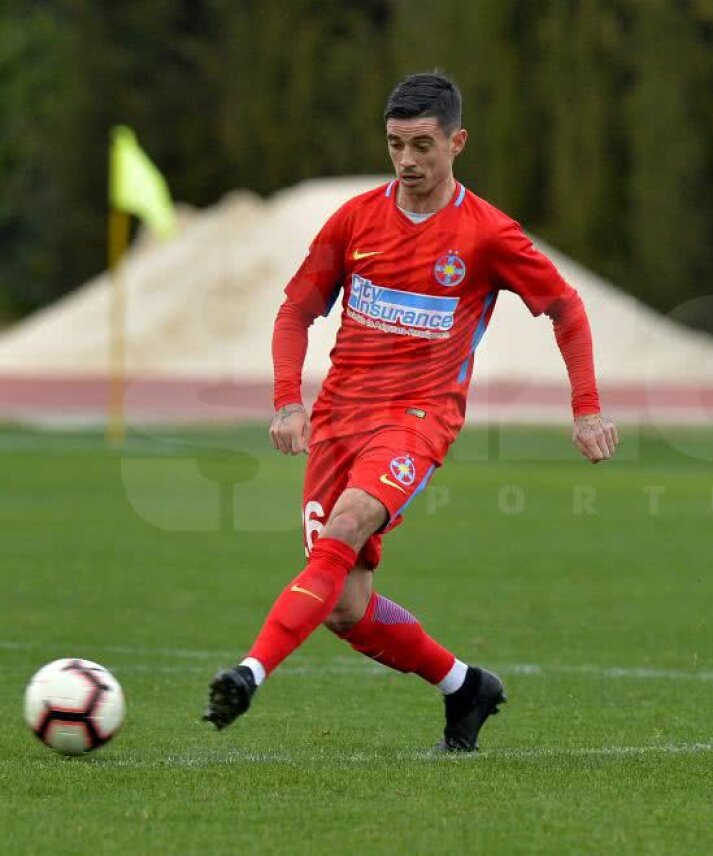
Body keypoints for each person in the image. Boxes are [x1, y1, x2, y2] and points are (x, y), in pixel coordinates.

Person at [203, 72, 618, 751]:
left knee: (346, 524)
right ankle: (465, 687)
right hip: (338, 420)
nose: (408, 161)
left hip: (417, 421)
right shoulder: (355, 219)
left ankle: (250, 673)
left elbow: (564, 308)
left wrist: (587, 408)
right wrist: (287, 400)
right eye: (396, 144)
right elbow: (296, 310)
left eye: (423, 144)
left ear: (457, 142)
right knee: (342, 604)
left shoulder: (487, 234)